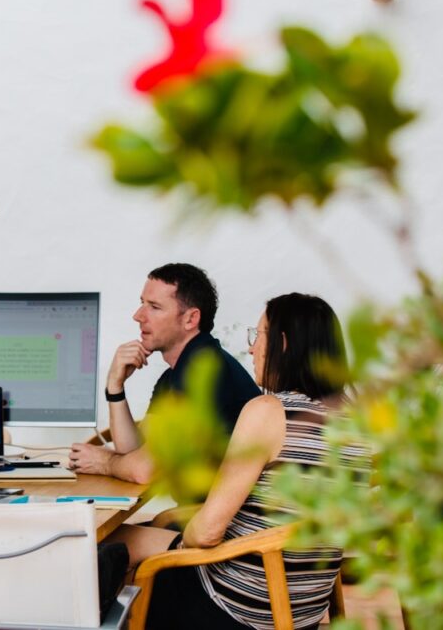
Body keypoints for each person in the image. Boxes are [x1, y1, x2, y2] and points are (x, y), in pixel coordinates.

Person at [109, 293, 357, 629]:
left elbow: (208, 533)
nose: (252, 349)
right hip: (299, 610)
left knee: (114, 545)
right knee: (157, 529)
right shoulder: (356, 422)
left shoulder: (270, 412)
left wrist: (177, 547)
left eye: (258, 337)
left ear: (282, 345)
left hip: (239, 607)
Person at [69, 263, 260, 483]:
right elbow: (136, 450)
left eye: (154, 307)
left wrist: (105, 462)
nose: (138, 316)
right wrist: (115, 386)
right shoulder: (176, 373)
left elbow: (145, 470)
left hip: (228, 516)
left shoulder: (203, 370)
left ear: (190, 319)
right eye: (142, 303)